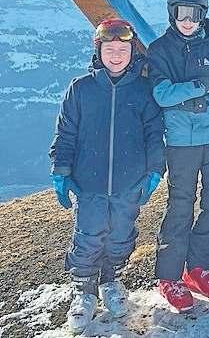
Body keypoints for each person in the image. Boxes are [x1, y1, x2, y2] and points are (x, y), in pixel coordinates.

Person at [49, 18, 165, 333]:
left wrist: (155, 169)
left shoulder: (143, 91)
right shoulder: (81, 89)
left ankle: (111, 280)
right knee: (88, 235)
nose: (116, 56)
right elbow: (65, 134)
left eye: (122, 50)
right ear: (98, 51)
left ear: (132, 52)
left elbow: (155, 134)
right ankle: (84, 290)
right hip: (89, 182)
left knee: (121, 234)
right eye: (109, 49)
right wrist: (61, 170)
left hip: (130, 181)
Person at [148, 0, 209, 312]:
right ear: (172, 14)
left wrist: (193, 101)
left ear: (203, 16)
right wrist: (201, 86)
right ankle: (169, 276)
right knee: (180, 204)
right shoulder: (160, 50)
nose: (188, 21)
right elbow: (162, 95)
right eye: (182, 14)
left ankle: (199, 267)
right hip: (181, 142)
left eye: (195, 14)